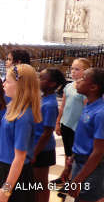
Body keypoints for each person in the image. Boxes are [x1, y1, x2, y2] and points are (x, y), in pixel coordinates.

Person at [0, 64, 41, 202]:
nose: (3, 84)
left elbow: (19, 158)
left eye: (8, 81)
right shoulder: (13, 108)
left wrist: (6, 190)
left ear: (21, 86)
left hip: (14, 174)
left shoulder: (23, 117)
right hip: (3, 168)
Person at [64, 68, 104, 202]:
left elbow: (98, 151)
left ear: (93, 87)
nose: (78, 81)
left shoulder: (100, 113)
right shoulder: (88, 105)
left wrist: (80, 179)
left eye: (83, 79)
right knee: (77, 197)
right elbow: (84, 137)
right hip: (79, 161)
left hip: (92, 166)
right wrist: (71, 160)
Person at [52, 58, 91, 186]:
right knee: (67, 153)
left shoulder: (85, 89)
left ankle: (74, 179)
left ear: (86, 71)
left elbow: (87, 109)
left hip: (77, 127)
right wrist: (58, 122)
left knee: (75, 155)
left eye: (77, 69)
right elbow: (63, 106)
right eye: (72, 68)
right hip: (66, 124)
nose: (73, 71)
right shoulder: (68, 86)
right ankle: (65, 177)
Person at [32, 68, 66, 202]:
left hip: (43, 149)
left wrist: (35, 152)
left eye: (42, 78)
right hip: (35, 145)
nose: (38, 81)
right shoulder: (43, 98)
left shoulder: (51, 104)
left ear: (52, 84)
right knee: (34, 182)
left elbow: (47, 132)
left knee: (41, 183)